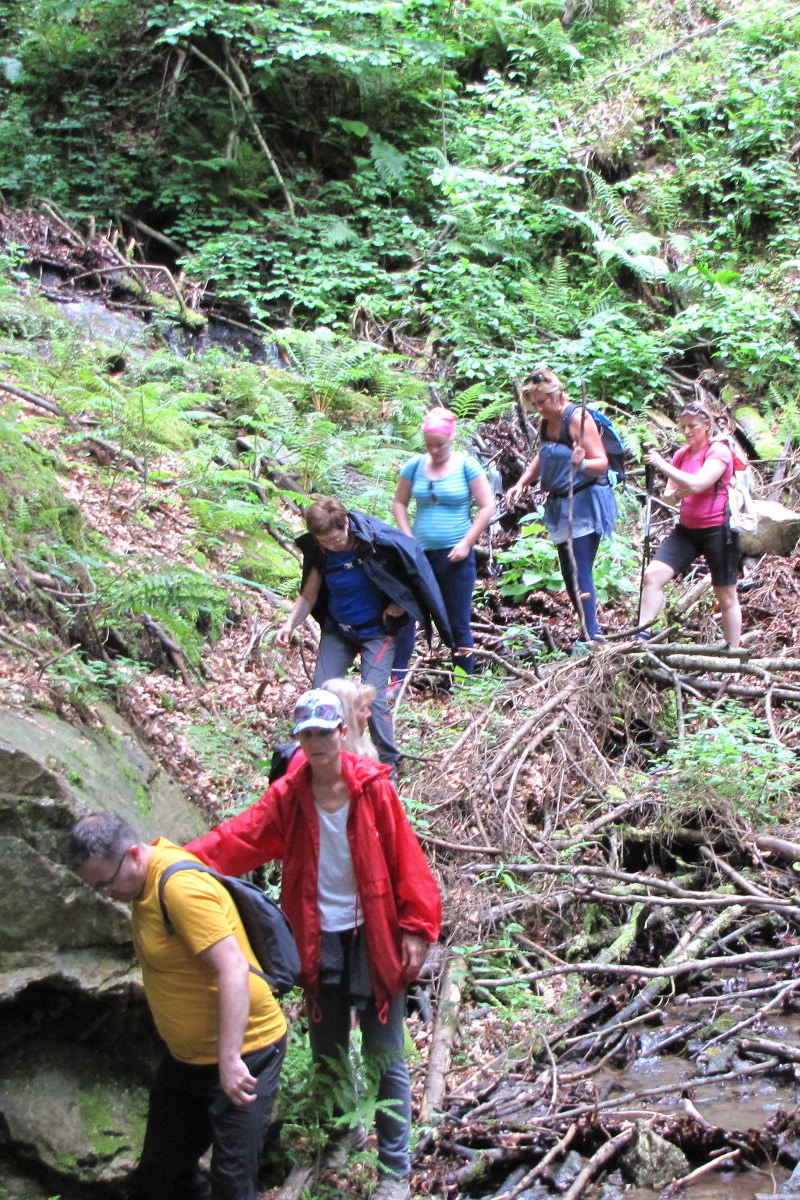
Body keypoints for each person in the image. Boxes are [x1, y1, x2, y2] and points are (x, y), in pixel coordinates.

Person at [187, 689, 443, 1200]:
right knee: (329, 1049)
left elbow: (406, 858)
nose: (317, 742)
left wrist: (417, 927)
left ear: (341, 733)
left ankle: (394, 1170)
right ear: (300, 740)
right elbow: (241, 838)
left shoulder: (373, 789)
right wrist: (179, 860)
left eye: (325, 732)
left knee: (384, 1053)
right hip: (316, 934)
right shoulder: (291, 795)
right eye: (307, 734)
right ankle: (345, 1127)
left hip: (375, 935)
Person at [64, 812, 288, 1200]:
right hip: (188, 1060)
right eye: (95, 888)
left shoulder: (179, 888)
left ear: (134, 855)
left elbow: (233, 967)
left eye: (105, 883)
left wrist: (230, 1058)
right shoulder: (138, 885)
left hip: (247, 1052)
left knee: (233, 1181)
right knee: (160, 1177)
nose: (105, 895)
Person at [275, 498, 450, 765]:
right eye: (322, 542)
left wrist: (398, 602)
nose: (329, 546)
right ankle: (328, 760)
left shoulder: (377, 543)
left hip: (377, 633)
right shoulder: (322, 554)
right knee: (321, 695)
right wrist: (289, 625)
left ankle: (387, 763)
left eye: (334, 540)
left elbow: (411, 578)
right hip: (338, 631)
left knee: (374, 699)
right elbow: (308, 596)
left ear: (346, 524)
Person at [503, 369, 618, 643]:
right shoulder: (546, 422)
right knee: (569, 572)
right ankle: (587, 630)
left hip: (585, 502)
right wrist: (522, 482)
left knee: (579, 568)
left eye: (542, 401)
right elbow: (544, 456)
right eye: (534, 403)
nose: (538, 408)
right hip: (558, 505)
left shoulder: (577, 419)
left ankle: (591, 636)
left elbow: (602, 463)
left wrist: (583, 463)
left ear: (556, 395)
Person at [390, 407, 495, 677]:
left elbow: (487, 507)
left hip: (455, 557)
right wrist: (407, 537)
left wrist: (466, 543)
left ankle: (462, 682)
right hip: (418, 556)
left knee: (457, 623)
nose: (434, 451)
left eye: (440, 445)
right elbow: (399, 502)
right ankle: (396, 680)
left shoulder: (466, 465)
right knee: (406, 616)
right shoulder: (415, 465)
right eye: (429, 445)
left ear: (451, 438)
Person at [638, 403, 743, 647]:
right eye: (683, 426)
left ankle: (734, 655)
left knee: (725, 595)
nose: (687, 431)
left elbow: (698, 484)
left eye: (692, 426)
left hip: (719, 529)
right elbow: (668, 494)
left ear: (707, 425)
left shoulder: (719, 451)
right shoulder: (682, 455)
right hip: (686, 530)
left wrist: (662, 465)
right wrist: (677, 493)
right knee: (652, 576)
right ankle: (640, 637)